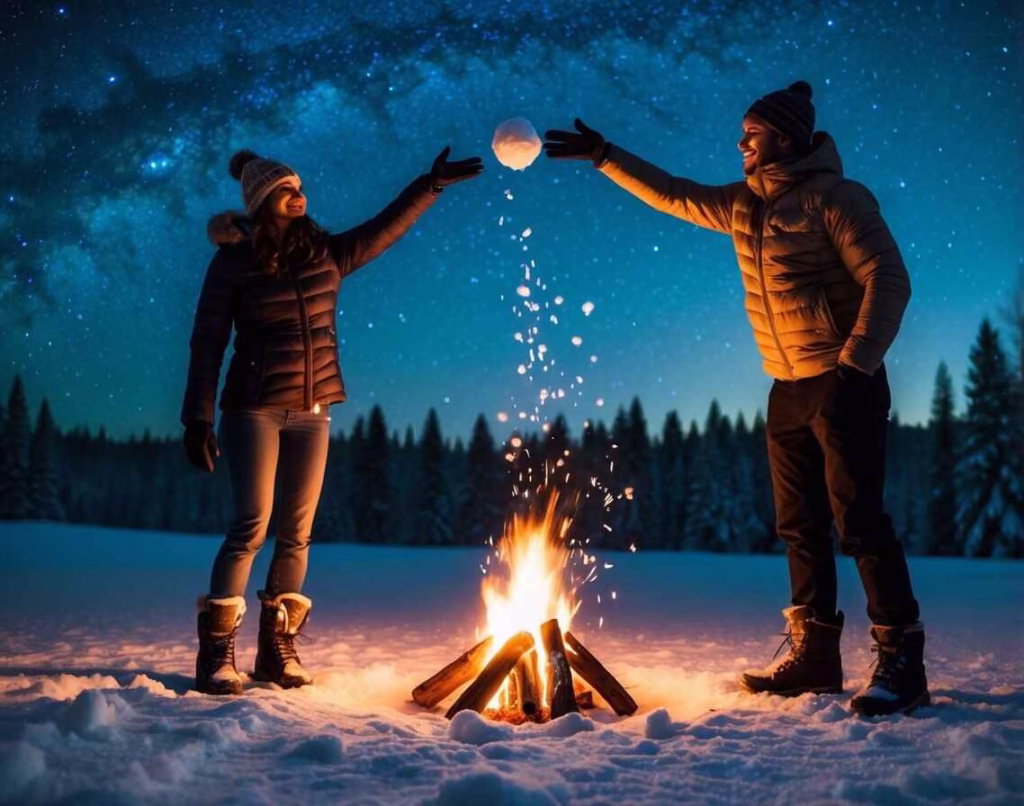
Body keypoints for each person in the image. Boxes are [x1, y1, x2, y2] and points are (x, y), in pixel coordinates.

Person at [543, 81, 929, 717]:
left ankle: (900, 656)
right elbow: (674, 194)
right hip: (785, 387)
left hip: (843, 379)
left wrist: (854, 367)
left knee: (860, 520)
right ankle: (816, 655)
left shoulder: (837, 198)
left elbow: (888, 278)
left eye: (751, 132)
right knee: (799, 526)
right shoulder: (744, 206)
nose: (740, 142)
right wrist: (605, 155)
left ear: (783, 136)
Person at [181, 146, 482, 695]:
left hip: (313, 412)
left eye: (300, 186)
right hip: (254, 408)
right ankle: (217, 657)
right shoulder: (234, 261)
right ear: (264, 198)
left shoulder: (324, 252)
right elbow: (207, 342)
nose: (301, 194)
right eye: (289, 188)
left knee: (297, 534)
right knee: (251, 526)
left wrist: (429, 185)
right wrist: (196, 418)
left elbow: (382, 231)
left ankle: (276, 653)